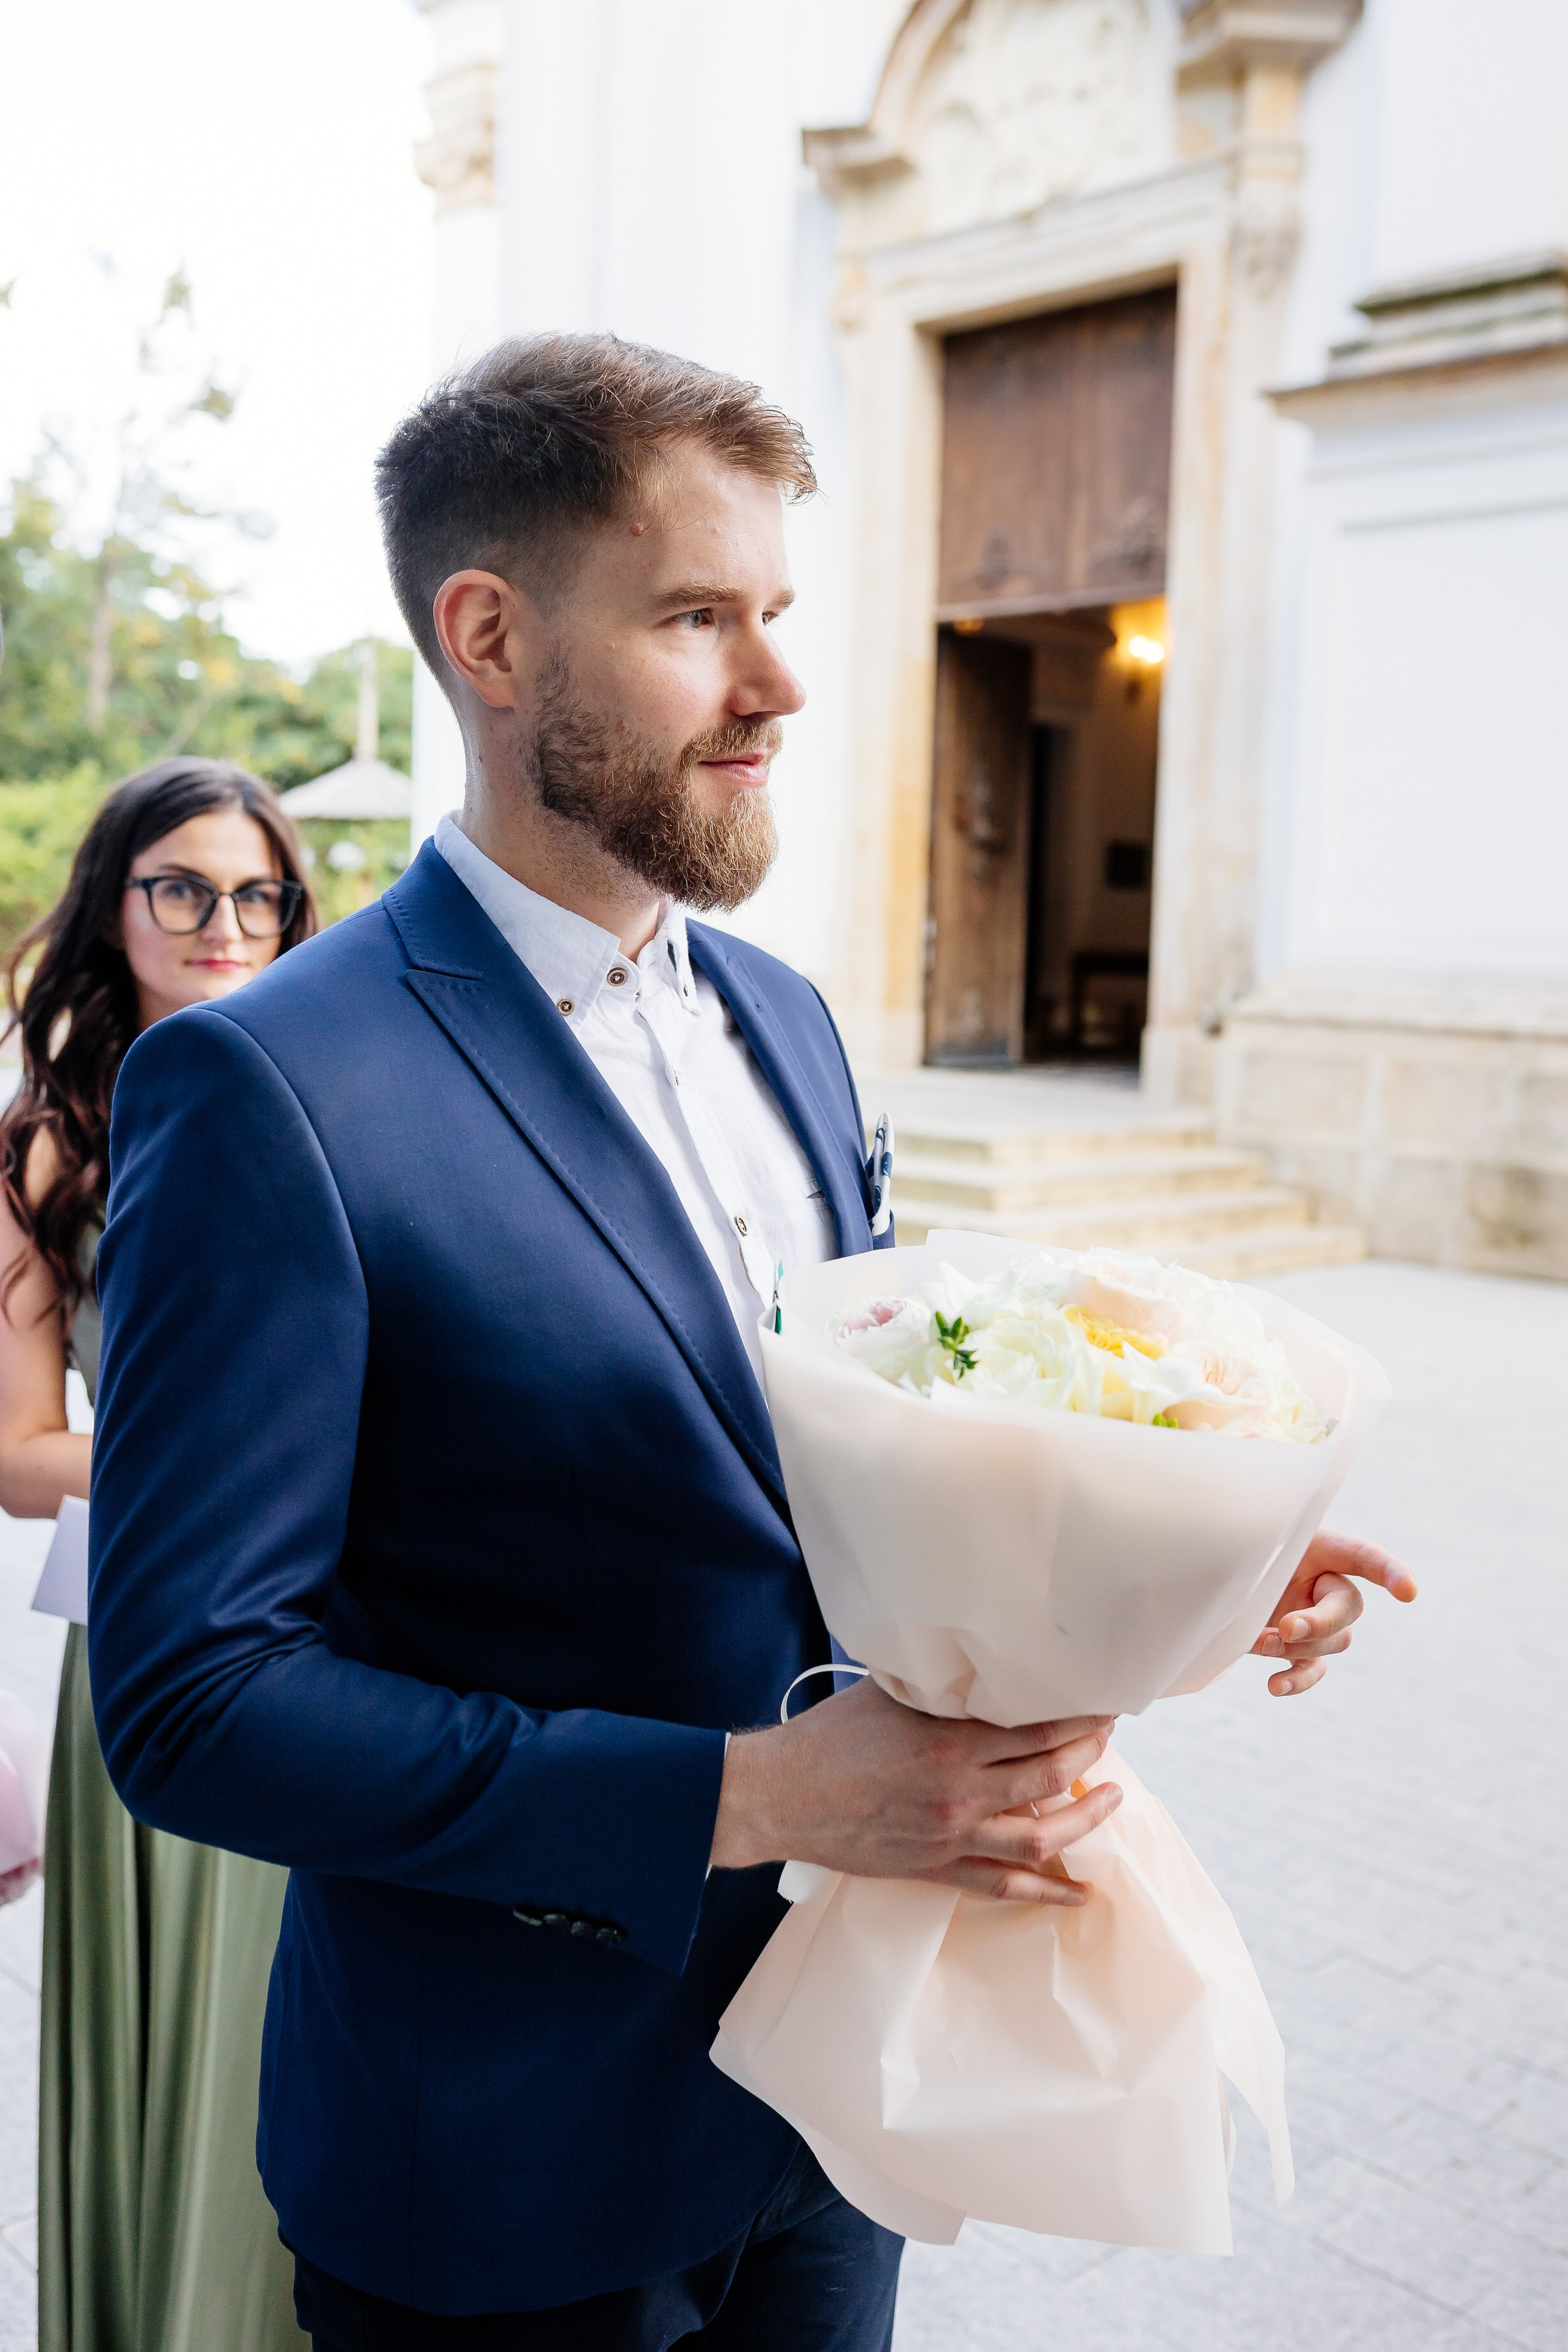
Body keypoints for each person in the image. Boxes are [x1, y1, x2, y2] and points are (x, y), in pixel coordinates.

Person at [86, 339, 1417, 2352]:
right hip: (499, 2175)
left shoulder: (790, 1026)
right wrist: (756, 1795)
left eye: (776, 615)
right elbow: (193, 1704)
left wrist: (1173, 1562)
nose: (781, 685)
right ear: (492, 637)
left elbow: (839, 1476)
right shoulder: (264, 1088)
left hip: (830, 2103)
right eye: (701, 618)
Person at [0, 758, 317, 2352]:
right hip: (157, 1641)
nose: (224, 920)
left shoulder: (334, 1089)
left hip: (344, 1646)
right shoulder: (51, 1140)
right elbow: (12, 1455)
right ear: (115, 900)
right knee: (182, 2052)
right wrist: (226, 1480)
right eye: (182, 886)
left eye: (256, 890)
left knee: (310, 2049)